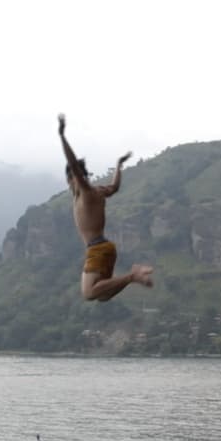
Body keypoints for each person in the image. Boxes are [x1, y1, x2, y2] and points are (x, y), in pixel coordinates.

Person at [58, 114, 154, 301]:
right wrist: (118, 165)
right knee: (103, 295)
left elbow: (73, 165)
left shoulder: (86, 192)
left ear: (72, 178)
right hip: (105, 248)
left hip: (98, 249)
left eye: (70, 180)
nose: (69, 185)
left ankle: (132, 276)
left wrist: (62, 135)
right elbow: (115, 187)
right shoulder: (98, 191)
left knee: (89, 293)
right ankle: (131, 276)